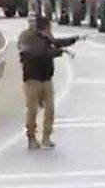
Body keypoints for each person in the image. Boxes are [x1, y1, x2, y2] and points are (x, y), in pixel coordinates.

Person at [17, 16, 81, 150]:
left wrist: (73, 40)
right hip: (32, 78)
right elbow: (37, 53)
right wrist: (56, 52)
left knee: (50, 108)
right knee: (32, 110)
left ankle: (46, 137)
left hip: (46, 77)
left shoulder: (45, 36)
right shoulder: (26, 38)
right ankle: (31, 137)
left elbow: (56, 42)